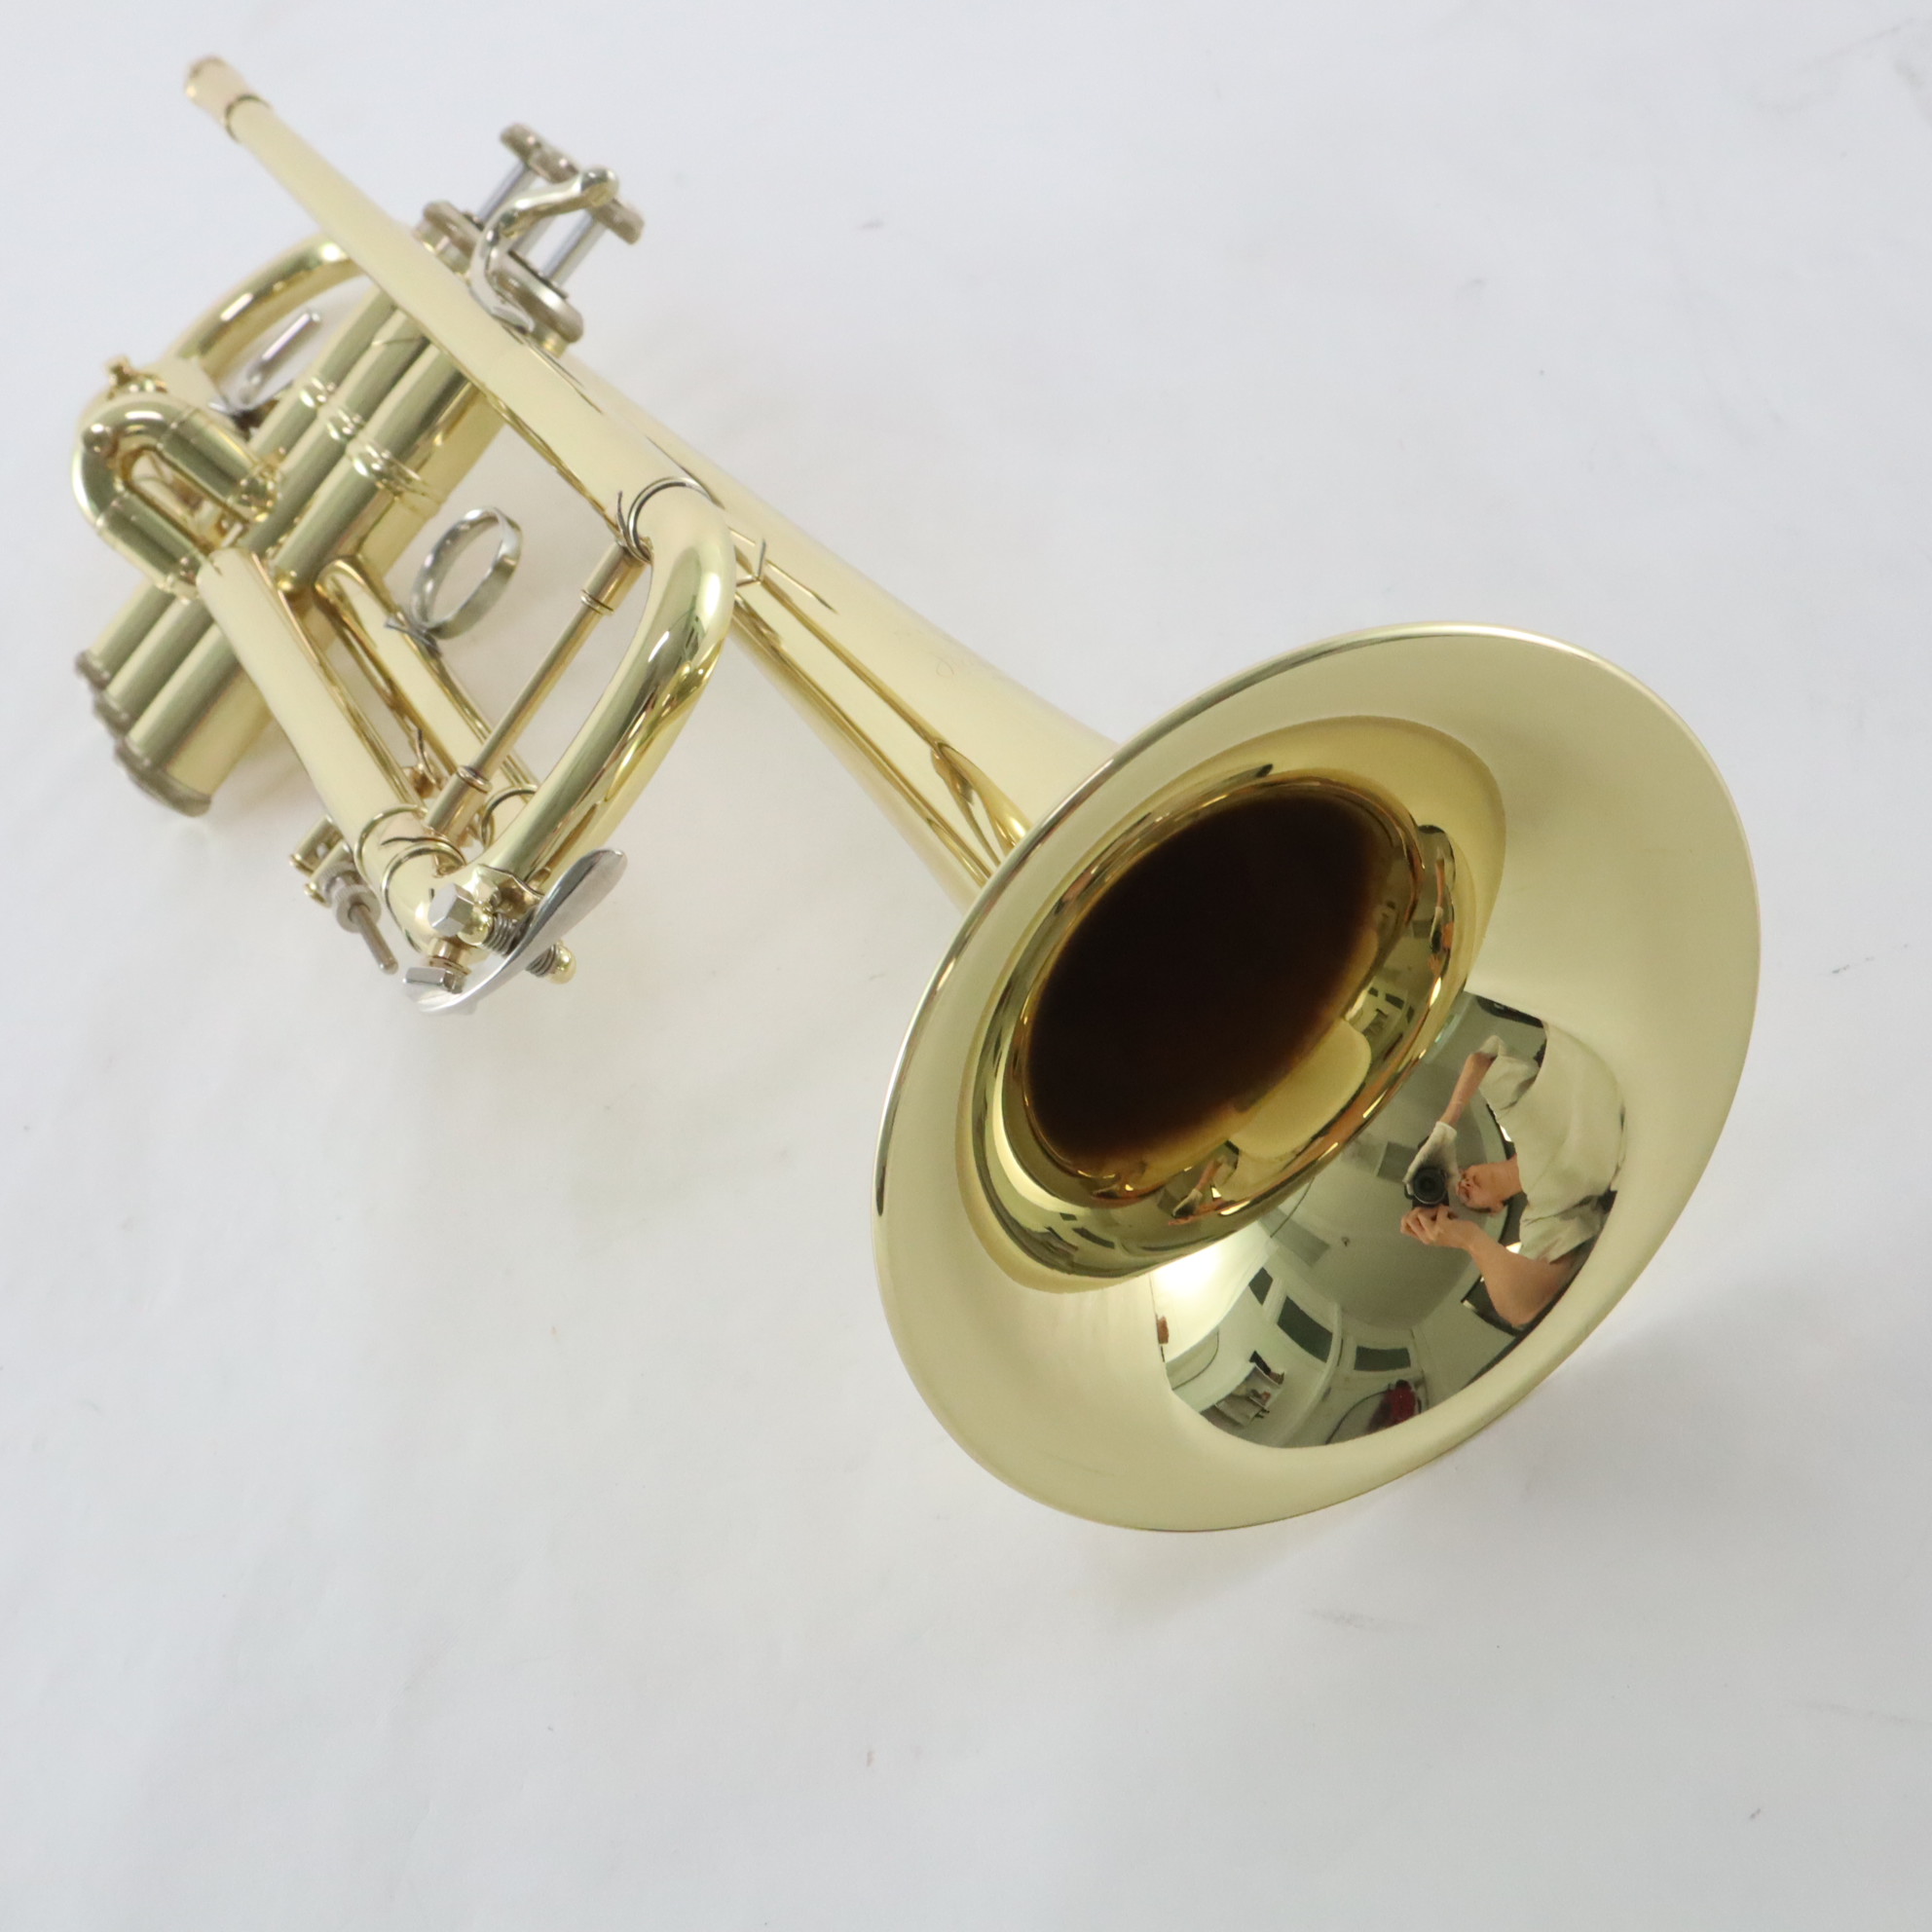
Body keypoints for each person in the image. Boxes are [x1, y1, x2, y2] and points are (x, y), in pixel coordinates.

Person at [1397, 1025, 1623, 1329]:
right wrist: (1470, 1239)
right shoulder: (1544, 1212)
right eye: (1466, 1196)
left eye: (1463, 1176)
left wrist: (1446, 1125)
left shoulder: (1512, 1116)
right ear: (1495, 1208)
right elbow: (1525, 1308)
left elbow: (1481, 1061)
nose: (1465, 1183)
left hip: (1594, 1031)